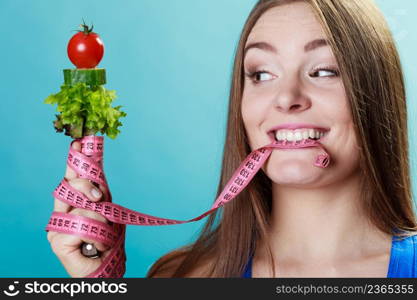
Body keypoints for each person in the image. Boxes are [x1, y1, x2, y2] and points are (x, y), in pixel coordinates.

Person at [47, 0, 417, 278]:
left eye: (323, 71)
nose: (286, 98)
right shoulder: (182, 278)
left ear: (376, 94)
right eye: (261, 74)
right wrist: (94, 283)